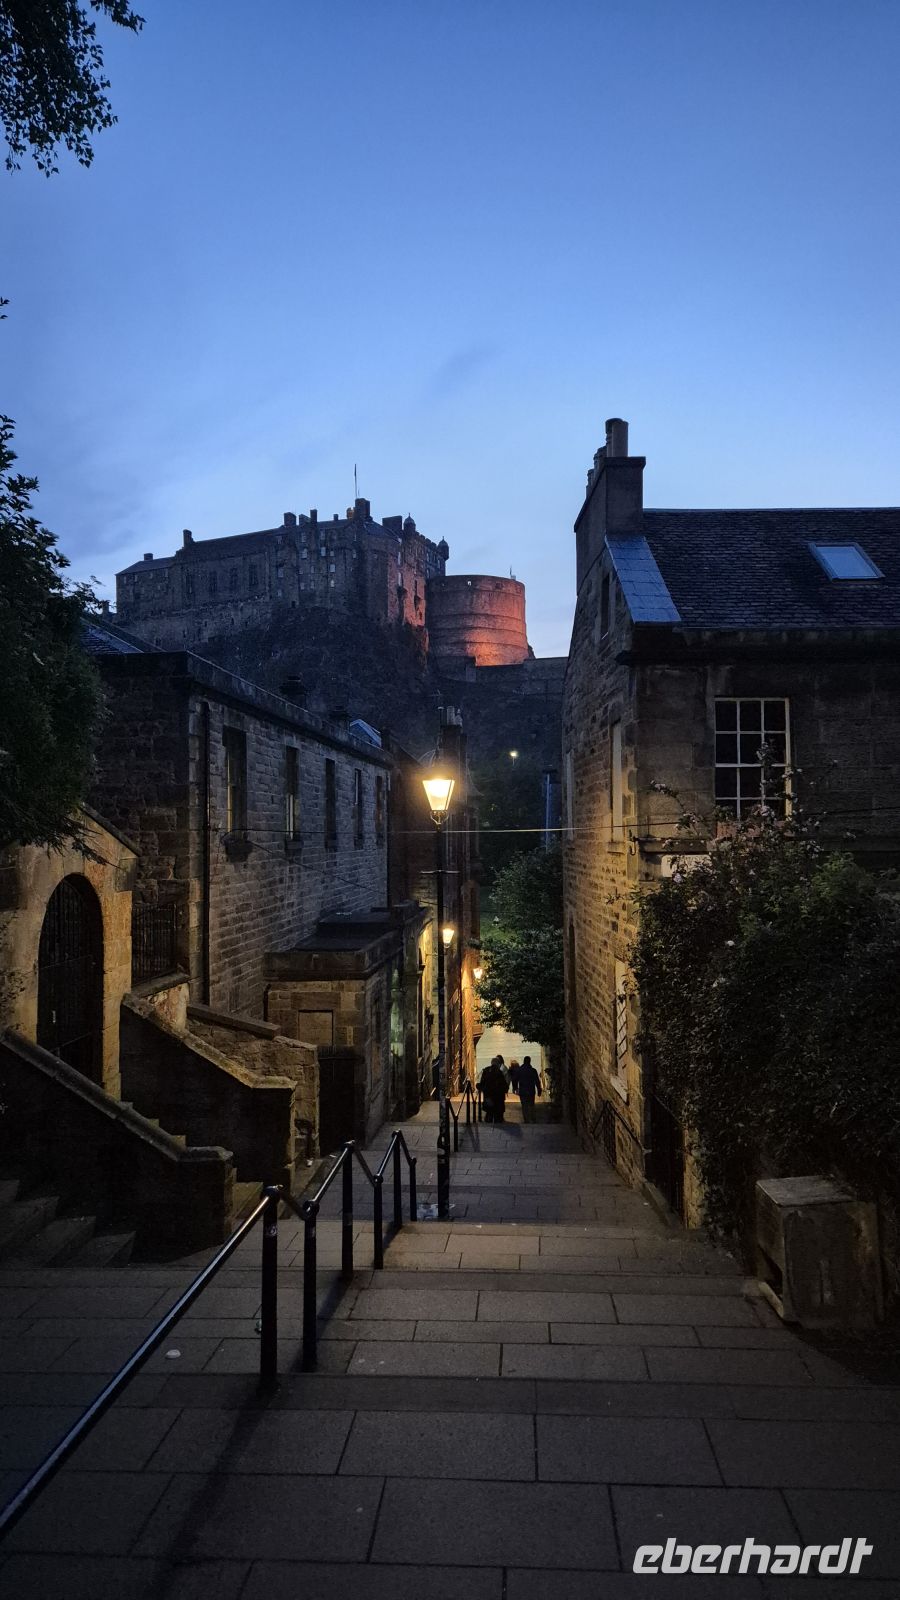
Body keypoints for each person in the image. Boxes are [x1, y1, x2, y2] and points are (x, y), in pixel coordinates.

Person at [478, 1057, 508, 1124]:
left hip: (488, 1096)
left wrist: (479, 1087)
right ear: (498, 1064)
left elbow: (482, 1083)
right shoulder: (499, 1072)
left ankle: (489, 1121)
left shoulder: (486, 1070)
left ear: (491, 1063)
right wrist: (506, 1089)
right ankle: (497, 1122)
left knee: (489, 1112)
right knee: (498, 1115)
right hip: (498, 1097)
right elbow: (503, 1084)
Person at [518, 1055, 543, 1123]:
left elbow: (515, 1079)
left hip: (522, 1091)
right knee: (531, 1105)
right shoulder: (533, 1070)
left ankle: (526, 1119)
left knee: (524, 1105)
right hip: (531, 1091)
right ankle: (532, 1118)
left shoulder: (519, 1070)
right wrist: (539, 1090)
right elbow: (537, 1081)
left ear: (524, 1061)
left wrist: (515, 1088)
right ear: (530, 1061)